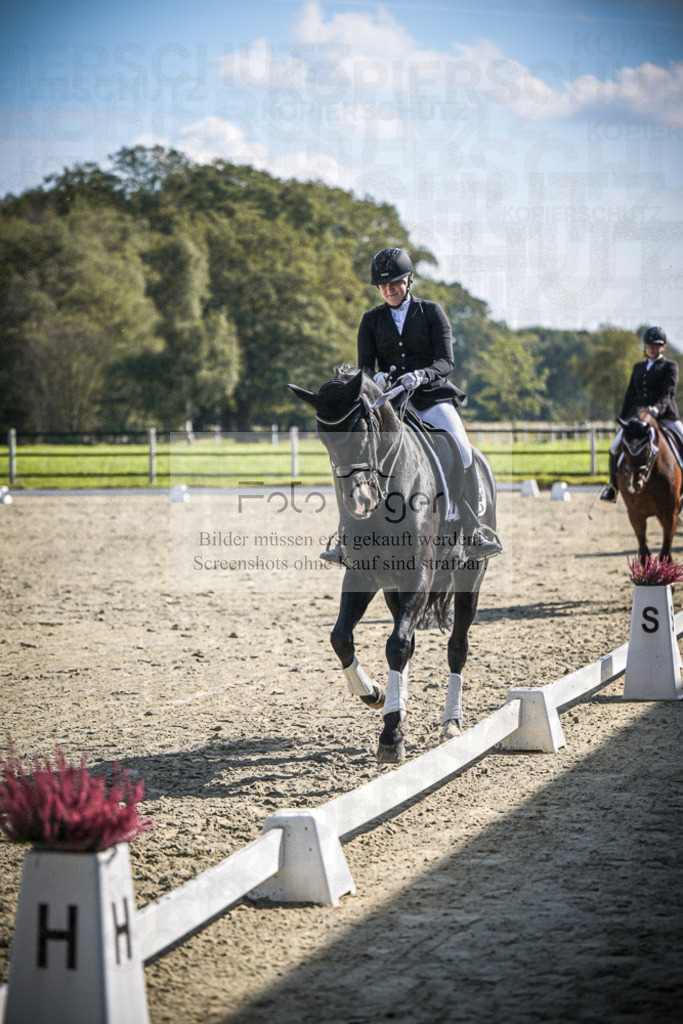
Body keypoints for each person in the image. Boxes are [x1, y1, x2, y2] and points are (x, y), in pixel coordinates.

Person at [323, 247, 503, 562]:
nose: (389, 289)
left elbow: (446, 361)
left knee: (461, 447)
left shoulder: (431, 312)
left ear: (408, 280)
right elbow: (364, 367)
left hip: (431, 396)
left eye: (394, 283)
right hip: (390, 403)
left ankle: (473, 529)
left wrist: (421, 375)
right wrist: (376, 378)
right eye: (383, 286)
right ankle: (346, 535)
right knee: (357, 455)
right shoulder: (371, 320)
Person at [601, 325, 683, 502]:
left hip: (666, 416)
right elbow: (630, 395)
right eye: (649, 345)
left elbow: (668, 393)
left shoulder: (670, 366)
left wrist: (655, 409)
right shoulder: (638, 368)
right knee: (614, 447)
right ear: (645, 347)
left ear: (663, 347)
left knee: (682, 439)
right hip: (639, 418)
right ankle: (613, 487)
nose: (651, 348)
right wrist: (623, 418)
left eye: (655, 345)